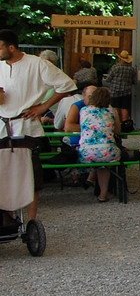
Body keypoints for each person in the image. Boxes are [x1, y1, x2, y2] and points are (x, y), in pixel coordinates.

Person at [0, 30, 76, 222]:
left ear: (11, 47)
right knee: (3, 177)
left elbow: (66, 85)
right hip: (1, 126)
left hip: (26, 127)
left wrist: (43, 107)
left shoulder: (37, 64)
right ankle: (8, 221)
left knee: (30, 177)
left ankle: (31, 222)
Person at [72, 85, 120, 203]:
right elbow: (118, 131)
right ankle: (103, 195)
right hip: (108, 152)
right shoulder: (111, 111)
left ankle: (89, 178)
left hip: (86, 153)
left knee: (96, 156)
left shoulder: (84, 110)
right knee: (104, 162)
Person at [103, 50, 138, 128]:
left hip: (115, 91)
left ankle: (117, 125)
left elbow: (108, 79)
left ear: (120, 59)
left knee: (115, 109)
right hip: (127, 92)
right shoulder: (132, 69)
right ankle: (125, 125)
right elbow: (134, 81)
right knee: (124, 108)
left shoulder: (115, 67)